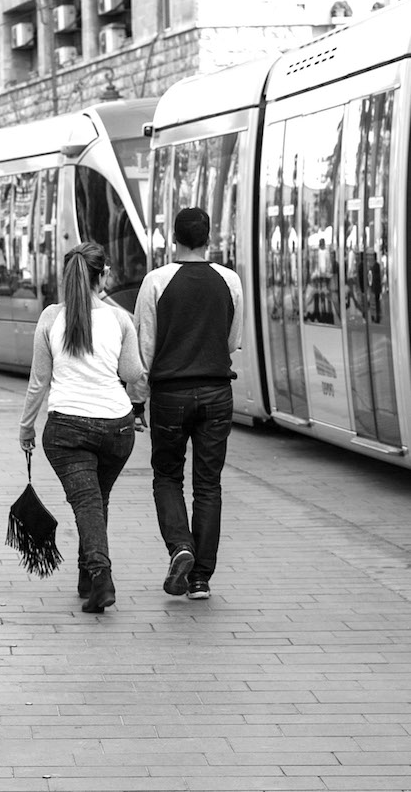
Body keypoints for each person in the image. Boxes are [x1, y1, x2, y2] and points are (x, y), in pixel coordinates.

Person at [18, 242, 145, 613]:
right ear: (103, 275)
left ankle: (100, 576)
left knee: (87, 501)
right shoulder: (120, 319)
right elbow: (133, 374)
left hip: (67, 431)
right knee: (94, 500)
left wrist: (26, 428)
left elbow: (38, 382)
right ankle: (87, 576)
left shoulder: (50, 318)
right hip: (117, 429)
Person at [132, 207, 243, 600]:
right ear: (209, 238)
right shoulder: (229, 280)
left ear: (172, 237)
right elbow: (231, 342)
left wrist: (137, 403)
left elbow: (144, 349)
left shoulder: (155, 282)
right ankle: (200, 580)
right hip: (216, 392)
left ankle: (180, 545)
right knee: (208, 484)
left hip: (170, 395)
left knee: (167, 476)